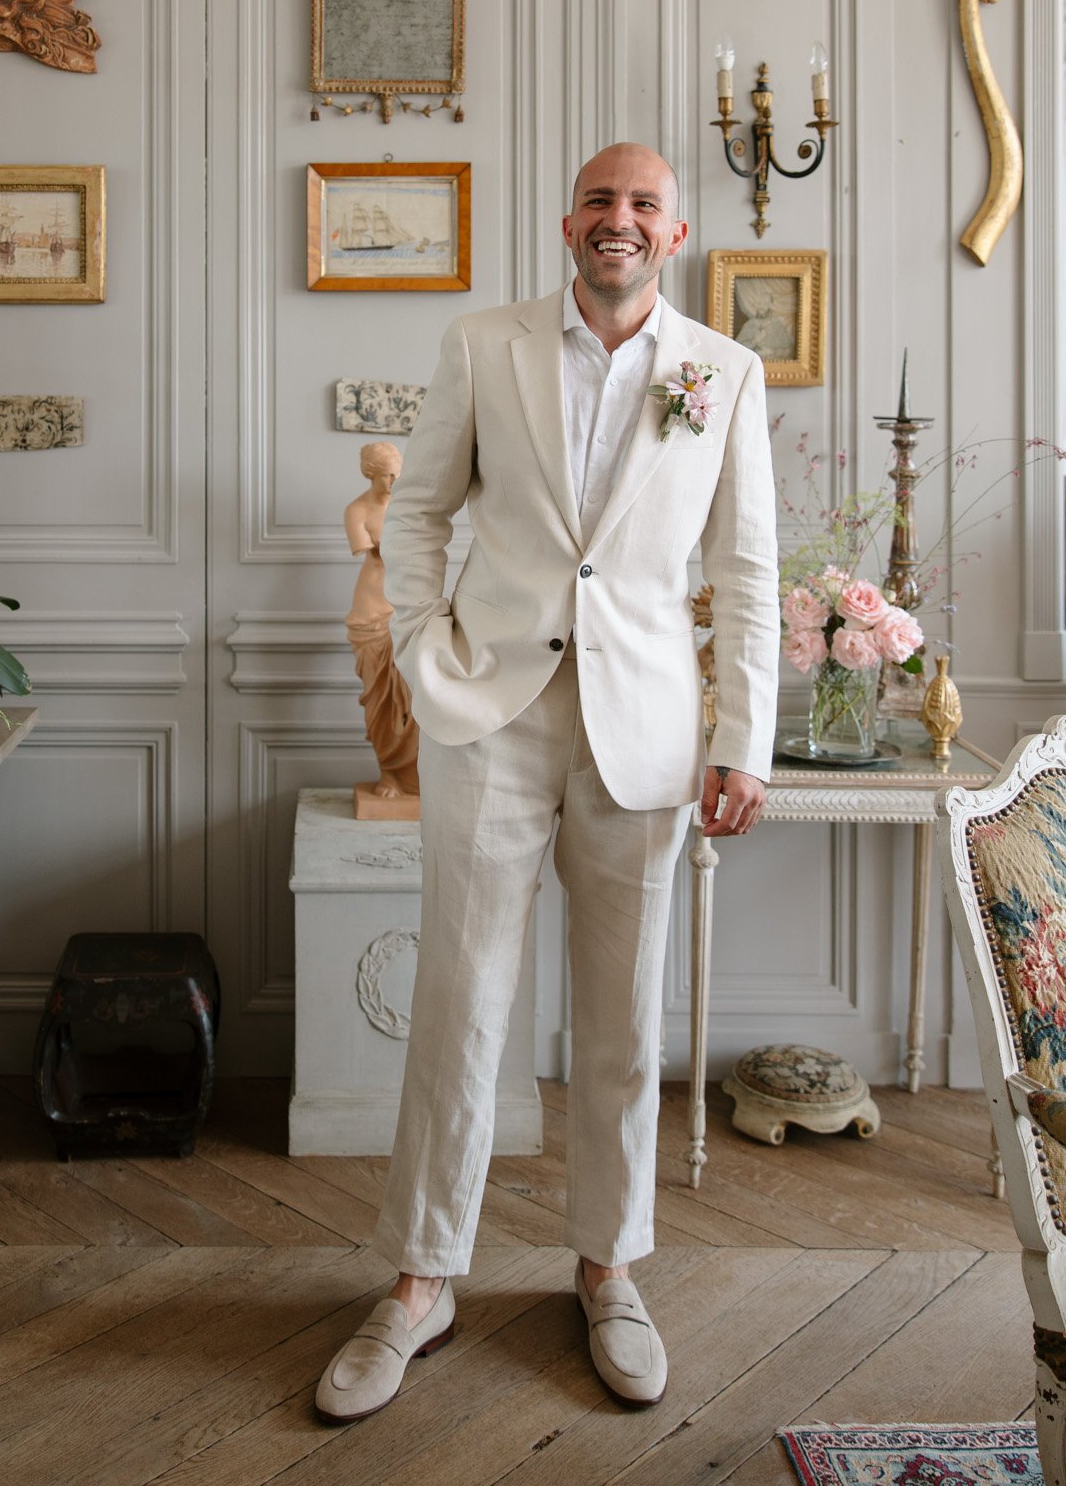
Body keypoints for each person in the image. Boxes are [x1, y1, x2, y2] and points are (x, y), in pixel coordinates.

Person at [315, 142, 779, 1422]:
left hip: (647, 730)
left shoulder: (721, 373)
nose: (616, 219)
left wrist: (744, 737)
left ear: (673, 231)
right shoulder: (485, 342)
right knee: (460, 997)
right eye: (597, 199)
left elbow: (743, 571)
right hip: (492, 711)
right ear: (565, 219)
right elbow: (415, 514)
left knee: (624, 1019)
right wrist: (418, 647)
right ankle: (419, 1280)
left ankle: (609, 1268)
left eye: (641, 203)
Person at [344, 440, 420, 812]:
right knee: (381, 702)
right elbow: (372, 552)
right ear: (370, 473)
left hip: (408, 610)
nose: (392, 482)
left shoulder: (408, 508)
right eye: (386, 475)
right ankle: (389, 773)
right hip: (372, 612)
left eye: (397, 475)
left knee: (413, 697)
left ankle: (412, 777)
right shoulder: (357, 510)